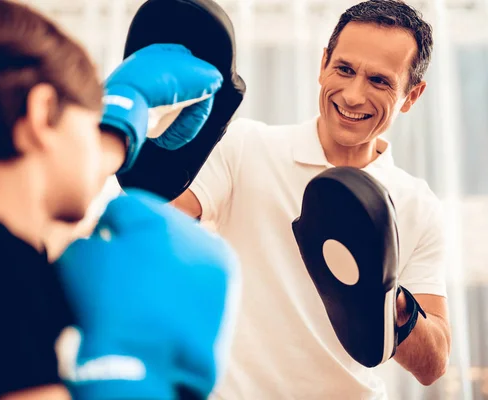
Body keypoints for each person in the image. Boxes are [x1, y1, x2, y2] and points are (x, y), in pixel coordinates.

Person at [0, 0, 240, 399]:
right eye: (90, 118)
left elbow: (67, 173)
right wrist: (132, 375)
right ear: (42, 114)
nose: (95, 136)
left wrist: (121, 124)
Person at [171, 0, 452, 398]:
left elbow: (434, 364)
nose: (354, 95)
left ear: (412, 95)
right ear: (323, 64)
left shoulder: (417, 205)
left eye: (380, 81)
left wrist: (385, 294)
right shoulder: (247, 146)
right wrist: (155, 131)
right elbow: (154, 220)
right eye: (345, 69)